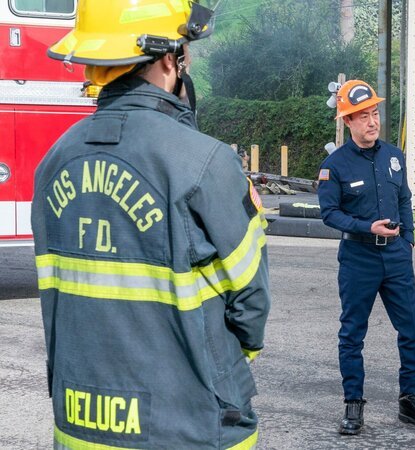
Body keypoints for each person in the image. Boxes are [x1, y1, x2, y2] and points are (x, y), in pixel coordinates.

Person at [32, 1, 270, 448]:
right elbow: (251, 297)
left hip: (79, 426)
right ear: (168, 59)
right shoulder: (204, 161)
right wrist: (228, 367)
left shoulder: (52, 163)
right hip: (186, 426)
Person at [317, 80, 415, 435]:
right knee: (353, 334)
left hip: (396, 259)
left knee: (411, 330)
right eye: (363, 116)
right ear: (348, 122)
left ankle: (411, 401)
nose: (372, 122)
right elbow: (328, 213)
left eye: (375, 114)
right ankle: (353, 405)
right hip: (359, 259)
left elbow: (404, 197)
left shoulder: (393, 156)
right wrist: (365, 227)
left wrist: (408, 240)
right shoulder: (335, 165)